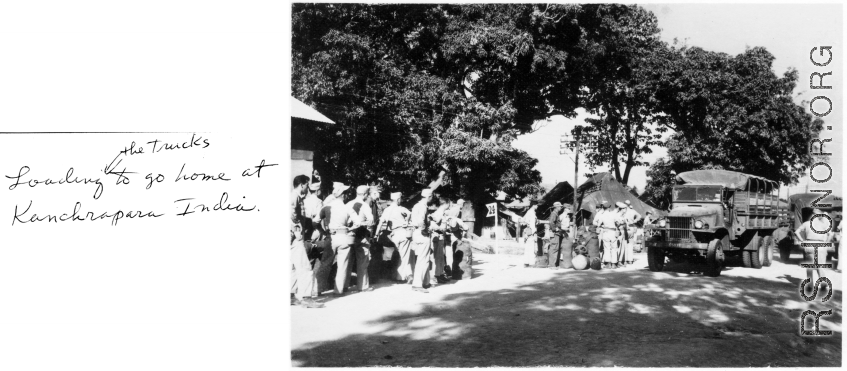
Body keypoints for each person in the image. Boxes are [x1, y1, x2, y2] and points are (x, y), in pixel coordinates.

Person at [290, 174, 324, 308]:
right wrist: (296, 230)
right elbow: (291, 215)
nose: (307, 188)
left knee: (292, 267)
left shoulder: (296, 196)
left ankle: (291, 296)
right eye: (307, 185)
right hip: (295, 237)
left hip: (291, 238)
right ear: (302, 184)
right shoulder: (294, 197)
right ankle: (306, 297)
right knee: (305, 267)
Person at [344, 185, 375, 292]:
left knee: (347, 261)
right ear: (366, 194)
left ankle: (344, 285)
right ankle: (362, 286)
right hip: (361, 236)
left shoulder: (348, 204)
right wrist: (363, 224)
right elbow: (371, 221)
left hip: (348, 236)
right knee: (362, 261)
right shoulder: (365, 205)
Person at [794, 208, 835, 285]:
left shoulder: (806, 223)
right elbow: (831, 234)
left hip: (809, 245)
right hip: (820, 246)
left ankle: (810, 284)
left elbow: (796, 232)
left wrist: (802, 241)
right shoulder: (823, 225)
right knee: (820, 267)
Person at [379, 192, 414, 282]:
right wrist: (406, 221)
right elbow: (410, 214)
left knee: (397, 254)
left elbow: (381, 222)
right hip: (403, 232)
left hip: (393, 234)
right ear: (398, 199)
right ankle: (402, 277)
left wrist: (376, 234)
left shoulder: (387, 210)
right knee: (404, 255)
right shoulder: (401, 208)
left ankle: (397, 274)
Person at [410, 188, 437, 293]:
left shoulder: (416, 205)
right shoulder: (423, 207)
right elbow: (421, 222)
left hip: (416, 233)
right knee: (423, 259)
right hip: (422, 234)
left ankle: (425, 282)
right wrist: (426, 230)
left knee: (423, 258)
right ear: (429, 197)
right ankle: (417, 284)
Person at [596, 201, 624, 269]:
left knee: (606, 248)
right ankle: (614, 264)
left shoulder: (601, 215)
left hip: (605, 232)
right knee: (614, 248)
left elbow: (598, 224)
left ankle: (607, 264)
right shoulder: (613, 214)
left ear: (603, 207)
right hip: (613, 232)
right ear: (609, 207)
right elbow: (618, 223)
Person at [622, 200, 642, 266]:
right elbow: (639, 216)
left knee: (624, 244)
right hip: (632, 227)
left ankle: (625, 259)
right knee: (630, 244)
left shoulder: (623, 211)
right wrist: (634, 221)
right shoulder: (633, 211)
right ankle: (630, 260)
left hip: (625, 228)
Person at [546, 202, 565, 269]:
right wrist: (555, 229)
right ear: (557, 207)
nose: (560, 208)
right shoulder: (554, 214)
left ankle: (553, 264)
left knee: (555, 248)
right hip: (555, 233)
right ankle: (552, 265)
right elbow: (551, 222)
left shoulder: (555, 213)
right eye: (560, 206)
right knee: (554, 248)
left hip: (556, 233)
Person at [521, 202, 539, 267]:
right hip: (531, 230)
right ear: (533, 205)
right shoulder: (532, 212)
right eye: (536, 205)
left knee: (527, 247)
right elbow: (532, 223)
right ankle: (531, 263)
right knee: (531, 247)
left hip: (527, 230)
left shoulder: (529, 212)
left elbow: (524, 220)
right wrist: (534, 231)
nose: (537, 206)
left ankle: (526, 262)